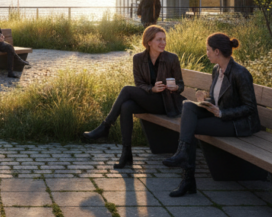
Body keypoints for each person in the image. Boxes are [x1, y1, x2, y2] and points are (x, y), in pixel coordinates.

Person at [162, 33, 261, 197]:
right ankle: (184, 158)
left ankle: (187, 177)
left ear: (217, 51)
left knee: (189, 127)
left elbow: (249, 107)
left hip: (239, 124)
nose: (206, 53)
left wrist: (221, 113)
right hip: (221, 115)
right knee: (188, 106)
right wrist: (205, 100)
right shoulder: (217, 70)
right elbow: (217, 99)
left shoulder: (240, 73)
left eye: (208, 50)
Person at [82, 25, 184, 169]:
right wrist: (152, 89)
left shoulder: (172, 58)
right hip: (150, 99)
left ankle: (105, 127)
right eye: (159, 40)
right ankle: (126, 154)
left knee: (126, 90)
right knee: (126, 106)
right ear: (149, 42)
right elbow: (139, 83)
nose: (163, 43)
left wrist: (176, 87)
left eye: (164, 39)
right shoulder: (138, 59)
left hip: (166, 103)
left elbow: (181, 85)